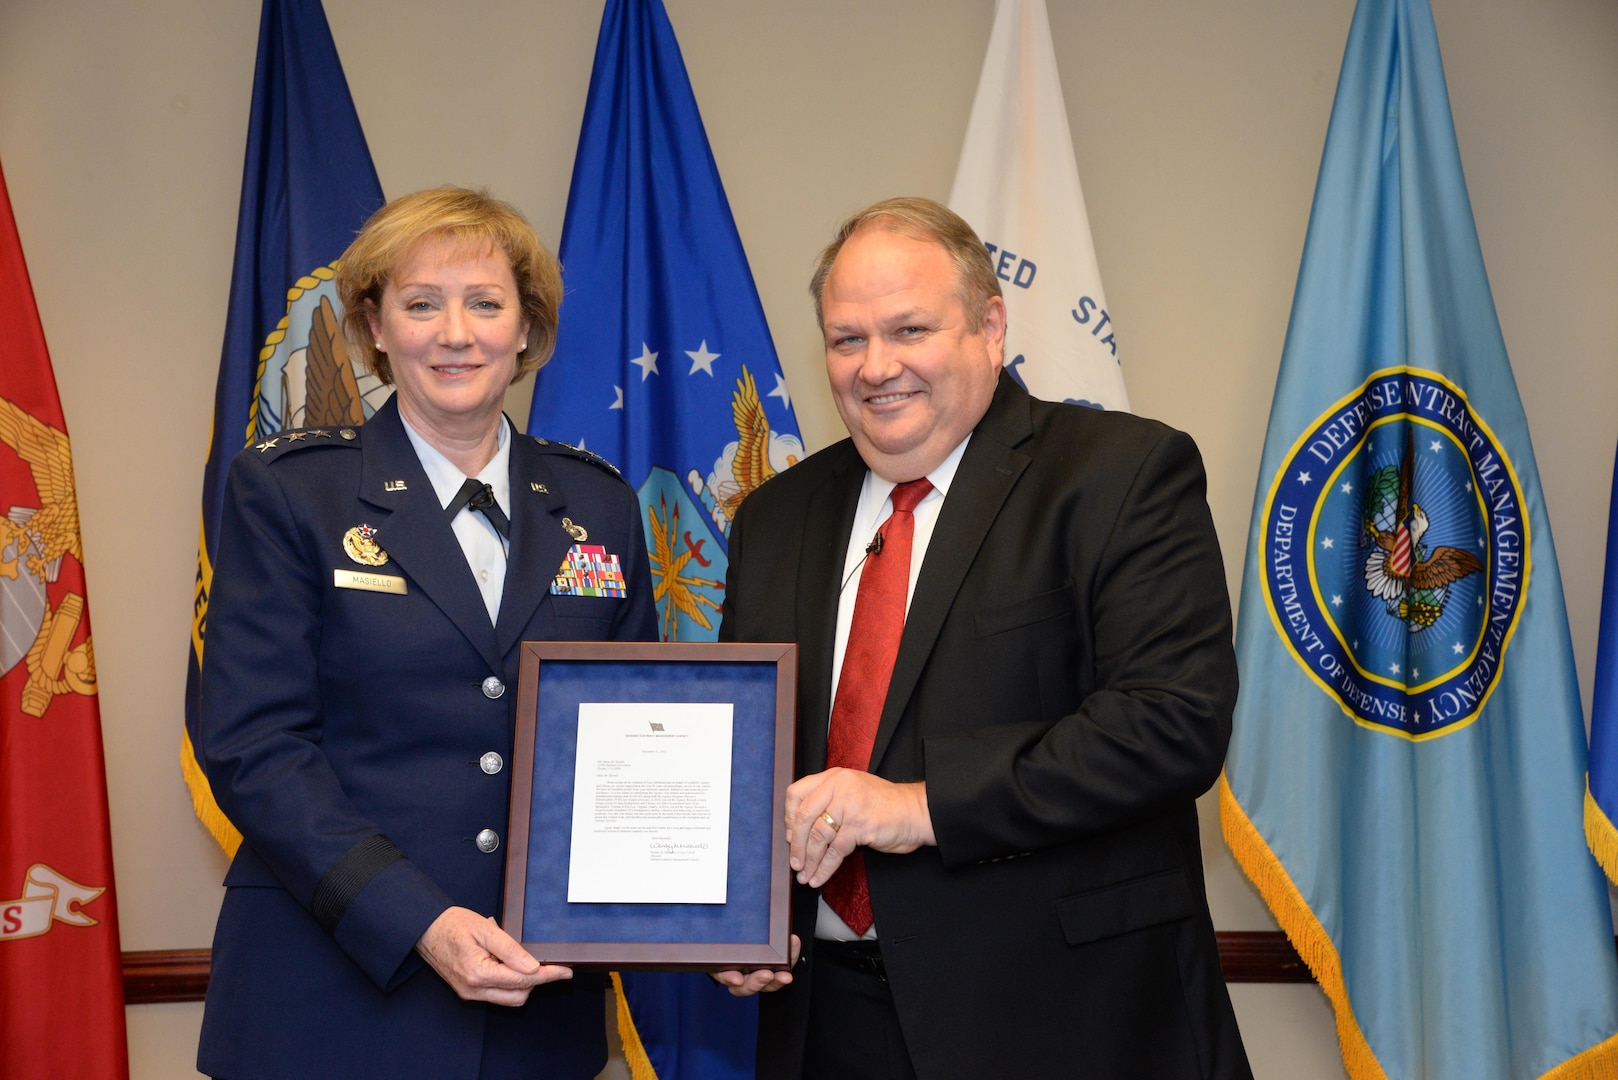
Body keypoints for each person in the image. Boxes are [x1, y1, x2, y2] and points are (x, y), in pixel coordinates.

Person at [715, 197, 1251, 1079]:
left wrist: (919, 805)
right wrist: (742, 911)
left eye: (910, 329)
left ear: (990, 326)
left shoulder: (1121, 475)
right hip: (827, 1023)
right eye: (847, 340)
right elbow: (754, 749)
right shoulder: (777, 516)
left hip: (1065, 1021)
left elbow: (1171, 725)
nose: (875, 366)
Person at [196, 186, 656, 1079]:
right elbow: (255, 746)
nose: (456, 333)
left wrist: (706, 915)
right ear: (375, 327)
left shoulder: (599, 505)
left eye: (486, 303)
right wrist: (421, 920)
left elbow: (631, 733)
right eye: (421, 304)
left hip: (534, 1007)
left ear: (527, 329)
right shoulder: (293, 492)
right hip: (332, 997)